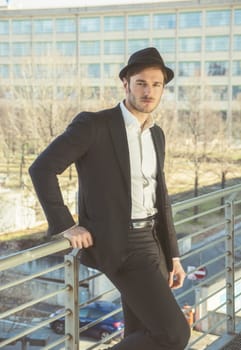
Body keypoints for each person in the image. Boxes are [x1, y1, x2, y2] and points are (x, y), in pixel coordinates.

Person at [29, 47, 190, 350]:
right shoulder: (94, 125)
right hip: (121, 245)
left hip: (153, 243)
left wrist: (174, 256)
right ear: (125, 84)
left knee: (142, 332)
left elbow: (161, 196)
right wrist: (66, 224)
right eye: (141, 83)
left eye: (157, 85)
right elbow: (42, 168)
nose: (149, 91)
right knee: (174, 334)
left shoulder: (156, 134)